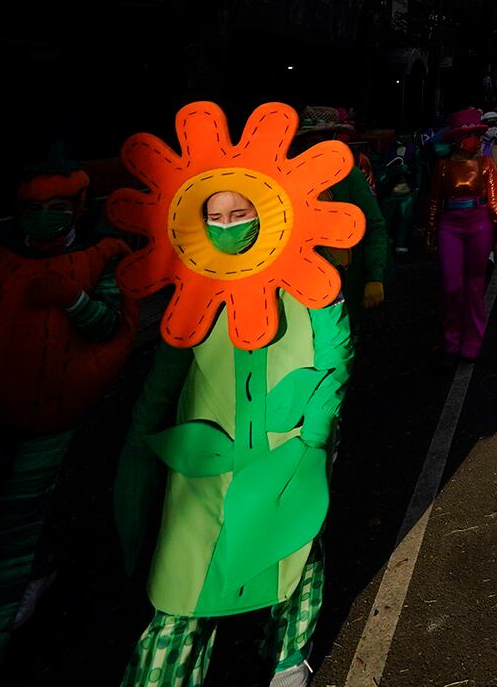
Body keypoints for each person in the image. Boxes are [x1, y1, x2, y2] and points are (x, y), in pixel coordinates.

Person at [116, 189, 350, 687]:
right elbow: (170, 360)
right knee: (185, 567)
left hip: (289, 440)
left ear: (263, 213)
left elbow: (336, 350)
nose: (227, 227)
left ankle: (289, 656)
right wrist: (141, 430)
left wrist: (317, 430)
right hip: (204, 448)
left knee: (294, 546)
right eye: (215, 218)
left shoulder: (309, 274)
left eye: (238, 214)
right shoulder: (195, 282)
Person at [0, 148, 135, 687]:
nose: (44, 216)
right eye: (33, 206)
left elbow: (108, 326)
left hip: (51, 410)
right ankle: (44, 563)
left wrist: (74, 300)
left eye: (57, 205)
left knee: (15, 519)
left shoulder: (101, 257)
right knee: (11, 498)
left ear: (78, 208)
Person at [424, 109, 497, 364]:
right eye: (472, 135)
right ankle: (451, 341)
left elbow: (495, 201)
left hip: (479, 225)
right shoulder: (443, 166)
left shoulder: (487, 165)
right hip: (450, 226)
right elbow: (433, 203)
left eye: (477, 135)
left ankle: (473, 341)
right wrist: (429, 235)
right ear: (459, 139)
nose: (477, 140)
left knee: (474, 285)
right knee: (452, 286)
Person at [291, 107, 389, 312]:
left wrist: (374, 277)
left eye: (322, 139)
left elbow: (374, 225)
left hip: (344, 281)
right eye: (309, 140)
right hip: (298, 280)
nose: (315, 146)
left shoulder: (350, 176)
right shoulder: (289, 177)